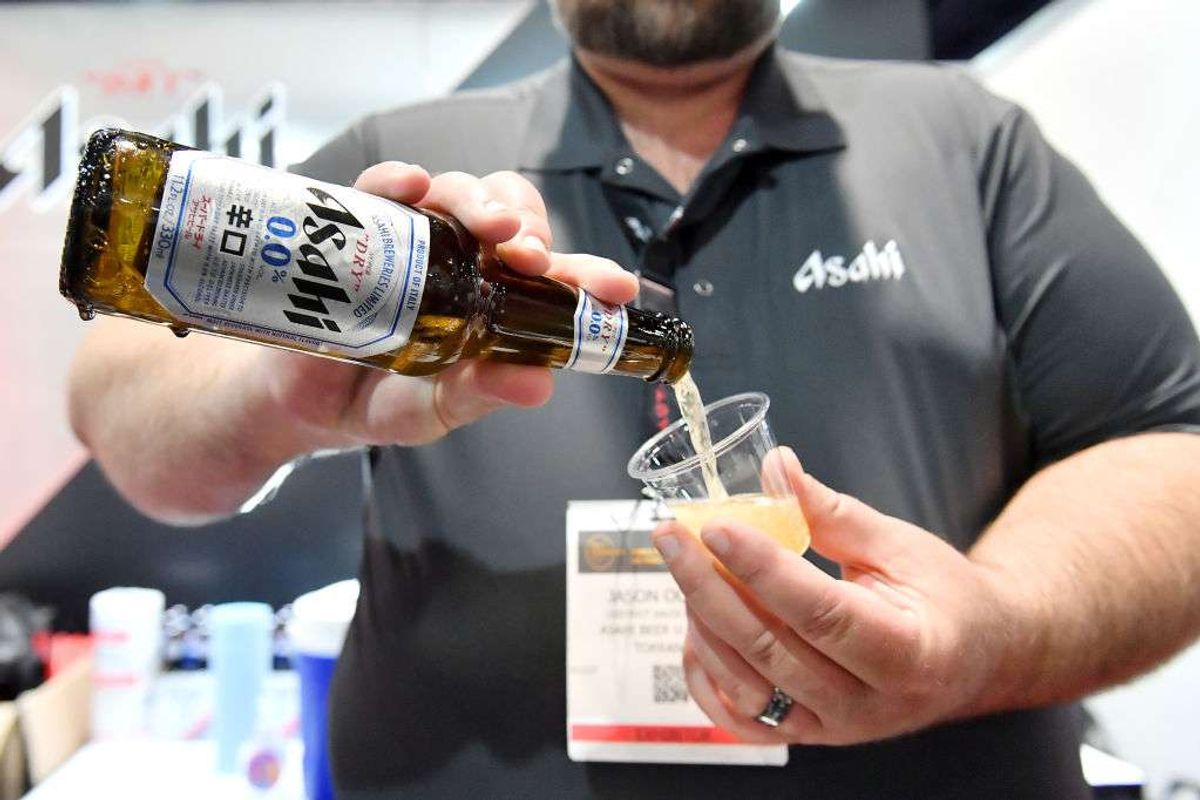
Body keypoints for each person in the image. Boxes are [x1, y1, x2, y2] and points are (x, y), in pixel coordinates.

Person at [68, 1, 1200, 797]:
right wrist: (281, 386)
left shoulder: (966, 138)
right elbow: (118, 405)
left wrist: (992, 631)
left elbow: (1172, 446)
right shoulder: (411, 171)